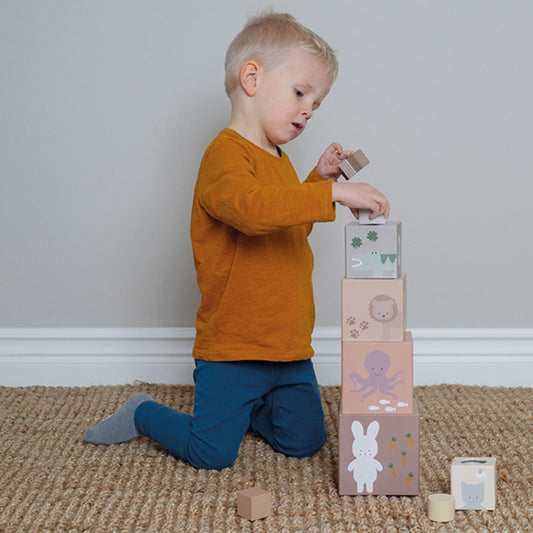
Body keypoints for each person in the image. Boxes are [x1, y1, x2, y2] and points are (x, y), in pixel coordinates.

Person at [83, 10, 389, 470]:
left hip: (286, 347)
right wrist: (331, 192)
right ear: (252, 77)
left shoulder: (279, 159)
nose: (308, 109)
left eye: (317, 104)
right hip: (234, 349)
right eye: (301, 92)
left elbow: (288, 225)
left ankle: (246, 412)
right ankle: (143, 412)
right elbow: (250, 211)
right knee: (210, 455)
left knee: (303, 443)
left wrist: (313, 180)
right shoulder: (223, 155)